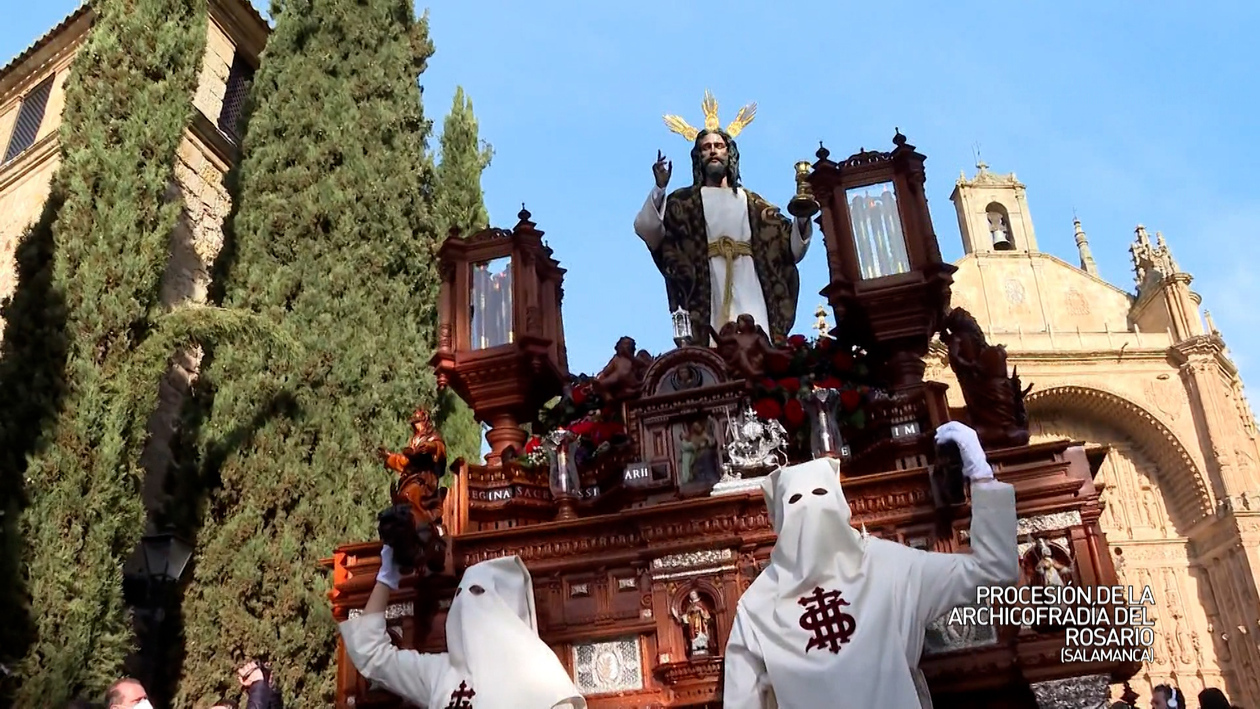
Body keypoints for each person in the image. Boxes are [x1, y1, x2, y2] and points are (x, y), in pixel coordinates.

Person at [722, 421, 1019, 709]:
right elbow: (994, 569)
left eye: (819, 496)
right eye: (797, 501)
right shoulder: (757, 608)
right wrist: (981, 478)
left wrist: (982, 478)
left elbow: (994, 571)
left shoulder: (890, 567)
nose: (810, 511)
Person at [634, 92, 812, 346]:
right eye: (706, 148)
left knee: (757, 340)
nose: (713, 151)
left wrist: (802, 218)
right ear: (698, 157)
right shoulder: (683, 203)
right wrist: (660, 189)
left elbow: (789, 249)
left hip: (750, 279)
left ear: (730, 154)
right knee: (713, 344)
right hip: (707, 283)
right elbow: (647, 229)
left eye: (718, 146)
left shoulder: (753, 202)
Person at [339, 548, 586, 709]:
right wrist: (386, 579)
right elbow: (372, 654)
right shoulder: (440, 673)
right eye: (462, 594)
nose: (468, 603)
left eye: (479, 593)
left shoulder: (541, 675)